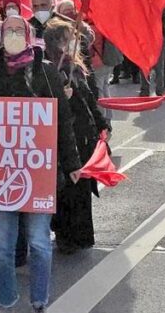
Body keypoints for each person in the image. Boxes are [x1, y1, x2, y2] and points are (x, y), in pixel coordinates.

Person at [0, 15, 81, 313]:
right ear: (0, 35)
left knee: (38, 242)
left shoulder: (46, 71)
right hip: (3, 171)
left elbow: (62, 119)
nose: (12, 34)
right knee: (1, 248)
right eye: (7, 29)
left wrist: (72, 161)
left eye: (17, 30)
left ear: (28, 35)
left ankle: (38, 300)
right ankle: (6, 298)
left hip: (39, 172)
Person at [44, 19, 109, 254]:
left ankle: (81, 236)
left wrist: (101, 123)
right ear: (57, 43)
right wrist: (62, 96)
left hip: (83, 135)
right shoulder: (51, 69)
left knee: (81, 189)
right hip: (67, 137)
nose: (74, 41)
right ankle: (67, 236)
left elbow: (89, 98)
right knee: (69, 190)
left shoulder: (76, 67)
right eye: (68, 37)